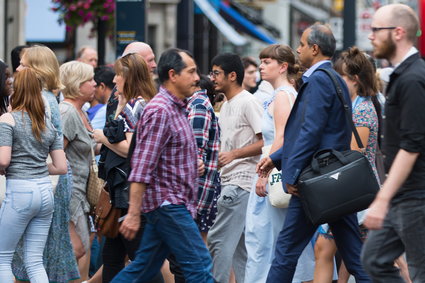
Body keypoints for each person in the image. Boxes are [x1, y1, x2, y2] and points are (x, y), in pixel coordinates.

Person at [257, 24, 371, 283]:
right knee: (353, 254)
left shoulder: (318, 79)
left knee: (285, 251)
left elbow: (310, 131)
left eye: (302, 44)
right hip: (333, 181)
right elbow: (312, 131)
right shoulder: (333, 78)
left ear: (315, 48)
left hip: (313, 181)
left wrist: (292, 175)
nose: (298, 49)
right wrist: (276, 158)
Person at [109, 48, 213, 282]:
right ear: (173, 75)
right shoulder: (160, 110)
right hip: (168, 204)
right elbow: (142, 166)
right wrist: (134, 214)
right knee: (200, 265)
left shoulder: (176, 107)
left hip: (172, 204)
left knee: (142, 269)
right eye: (192, 71)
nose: (197, 78)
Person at [361, 4, 425, 282]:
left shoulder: (413, 78)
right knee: (374, 259)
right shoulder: (403, 75)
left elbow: (412, 146)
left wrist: (382, 198)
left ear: (398, 33)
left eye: (376, 30)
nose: (371, 36)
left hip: (416, 197)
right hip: (402, 195)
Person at [244, 44, 314, 283]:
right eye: (261, 61)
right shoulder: (286, 93)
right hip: (277, 170)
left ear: (283, 66)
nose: (261, 66)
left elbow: (282, 137)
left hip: (273, 172)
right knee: (276, 239)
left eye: (267, 62)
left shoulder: (283, 95)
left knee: (265, 239)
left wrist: (265, 172)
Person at [12, 45, 81, 283]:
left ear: (36, 70)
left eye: (23, 64)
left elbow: (36, 148)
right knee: (45, 250)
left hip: (41, 181)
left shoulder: (38, 100)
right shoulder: (48, 98)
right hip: (51, 180)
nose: (18, 68)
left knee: (33, 253)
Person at [312, 46, 380, 283]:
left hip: (351, 191)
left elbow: (354, 153)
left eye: (341, 77)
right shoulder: (356, 105)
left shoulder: (361, 109)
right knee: (351, 255)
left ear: (355, 79)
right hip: (351, 190)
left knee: (326, 248)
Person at [93, 53, 161, 283]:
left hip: (129, 192)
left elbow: (131, 149)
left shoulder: (135, 104)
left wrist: (102, 137)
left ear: (128, 77)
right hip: (124, 190)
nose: (114, 81)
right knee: (113, 256)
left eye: (118, 75)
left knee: (138, 258)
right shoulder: (132, 102)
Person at [0, 68, 67, 282]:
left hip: (19, 191)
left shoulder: (8, 120)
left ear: (16, 91)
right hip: (45, 192)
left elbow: (3, 160)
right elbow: (61, 167)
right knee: (35, 261)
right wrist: (36, 165)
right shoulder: (47, 125)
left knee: (2, 258)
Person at [207, 53, 263, 283]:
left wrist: (233, 155)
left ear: (232, 75)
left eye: (216, 73)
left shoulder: (248, 101)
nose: (212, 78)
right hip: (232, 182)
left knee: (217, 242)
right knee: (242, 250)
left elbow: (266, 141)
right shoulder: (228, 103)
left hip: (240, 183)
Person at [59, 61, 97, 282]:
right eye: (89, 80)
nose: (94, 84)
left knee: (84, 248)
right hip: (71, 193)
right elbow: (57, 153)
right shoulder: (67, 112)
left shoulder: (81, 111)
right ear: (76, 84)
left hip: (82, 193)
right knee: (78, 249)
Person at [187, 74, 220, 242]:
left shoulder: (198, 105)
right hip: (195, 192)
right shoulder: (195, 103)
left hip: (194, 192)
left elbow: (195, 150)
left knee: (194, 246)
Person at [89, 66, 115, 130]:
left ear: (102, 87)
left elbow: (90, 135)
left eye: (95, 86)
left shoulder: (105, 110)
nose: (93, 90)